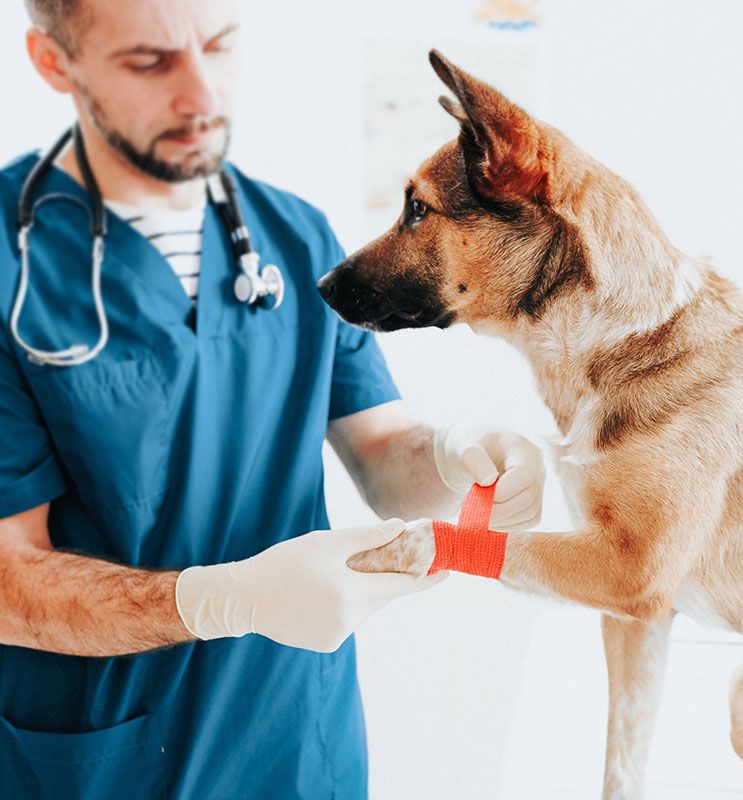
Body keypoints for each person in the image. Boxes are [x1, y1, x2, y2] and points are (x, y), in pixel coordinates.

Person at [0, 1, 546, 797]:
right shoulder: (10, 267)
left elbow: (380, 453)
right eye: (149, 63)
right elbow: (9, 582)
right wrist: (222, 600)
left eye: (219, 46)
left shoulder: (295, 236)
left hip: (291, 740)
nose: (201, 94)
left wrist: (457, 456)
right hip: (102, 756)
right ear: (55, 63)